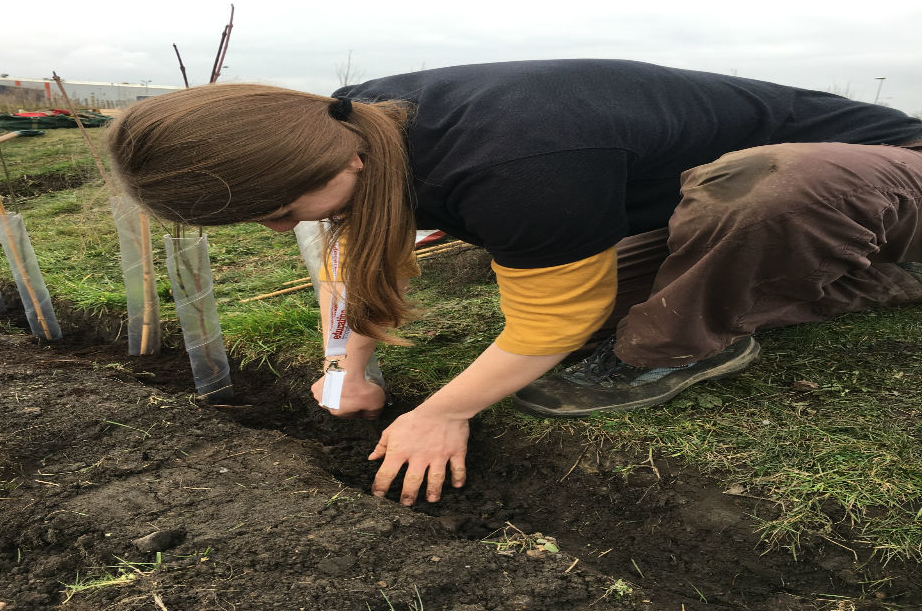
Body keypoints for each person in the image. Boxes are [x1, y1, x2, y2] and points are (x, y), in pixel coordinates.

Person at [106, 59, 922, 506]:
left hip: (892, 184)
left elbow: (552, 322)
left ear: (338, 159)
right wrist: (343, 371)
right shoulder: (359, 123)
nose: (279, 230)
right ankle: (817, 272)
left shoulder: (521, 163)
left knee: (764, 190)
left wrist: (443, 411)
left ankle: (689, 349)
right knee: (672, 258)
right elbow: (349, 249)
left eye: (279, 210)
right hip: (687, 202)